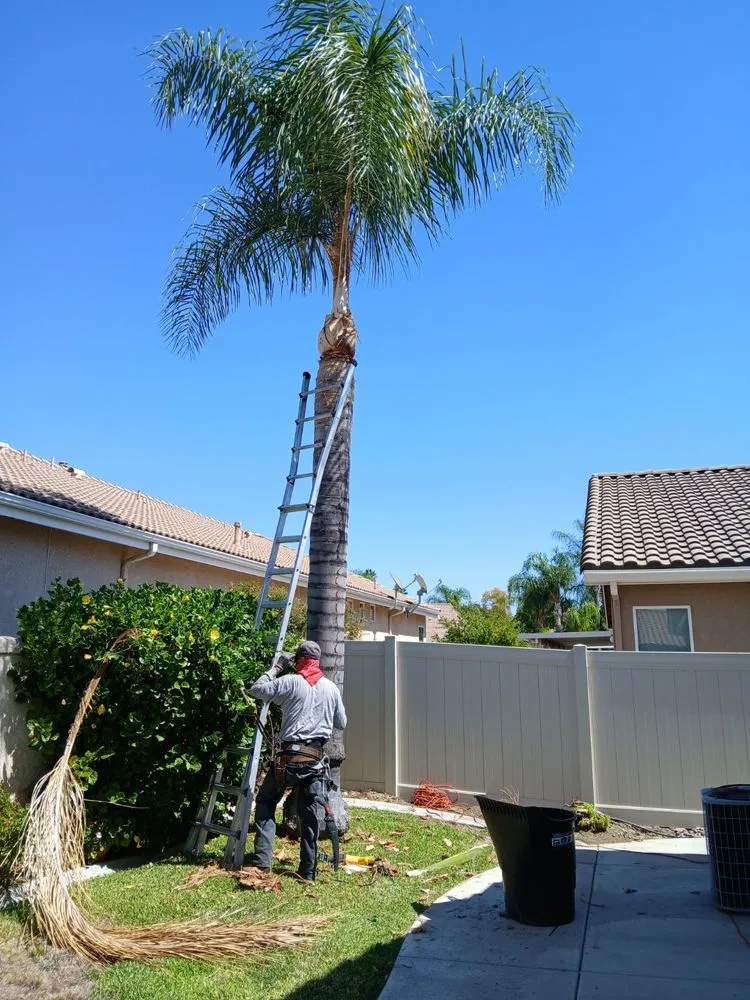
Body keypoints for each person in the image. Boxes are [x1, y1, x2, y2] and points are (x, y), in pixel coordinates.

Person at [249, 639, 347, 881]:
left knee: (265, 802)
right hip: (314, 762)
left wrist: (277, 668)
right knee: (310, 816)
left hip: (287, 760)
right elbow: (341, 723)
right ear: (317, 661)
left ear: (299, 661)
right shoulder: (330, 688)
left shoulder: (290, 682)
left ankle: (262, 865)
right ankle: (307, 872)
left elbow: (257, 689)